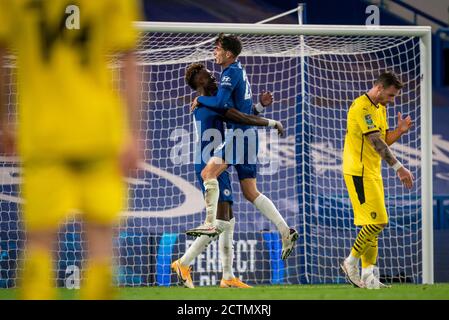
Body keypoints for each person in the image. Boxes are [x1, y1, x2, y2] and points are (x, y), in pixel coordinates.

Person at [0, 0, 141, 299]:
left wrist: (4, 121)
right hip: (99, 130)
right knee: (100, 240)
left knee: (39, 239)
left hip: (42, 131)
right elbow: (129, 60)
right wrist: (133, 132)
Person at [172, 63, 284, 288]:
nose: (213, 76)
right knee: (220, 221)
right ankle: (184, 263)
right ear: (199, 82)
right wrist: (269, 122)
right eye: (208, 75)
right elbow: (240, 118)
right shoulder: (212, 105)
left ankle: (228, 276)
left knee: (228, 220)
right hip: (210, 164)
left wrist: (260, 106)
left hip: (217, 160)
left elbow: (237, 114)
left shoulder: (211, 103)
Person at [187, 33, 298, 261]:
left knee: (207, 173)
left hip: (239, 136)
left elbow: (220, 105)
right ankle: (286, 231)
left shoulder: (230, 73)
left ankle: (209, 224)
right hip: (248, 136)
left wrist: (200, 100)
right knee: (250, 192)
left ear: (228, 53)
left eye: (217, 49)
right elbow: (238, 112)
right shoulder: (238, 71)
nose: (214, 54)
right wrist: (260, 109)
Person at [340, 71, 414, 289]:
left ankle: (369, 277)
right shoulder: (361, 107)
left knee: (370, 224)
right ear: (379, 88)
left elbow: (384, 139)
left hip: (373, 171)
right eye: (391, 95)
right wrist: (399, 168)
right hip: (358, 172)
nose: (392, 100)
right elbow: (376, 143)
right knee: (378, 221)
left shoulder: (381, 108)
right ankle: (350, 262)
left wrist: (399, 131)